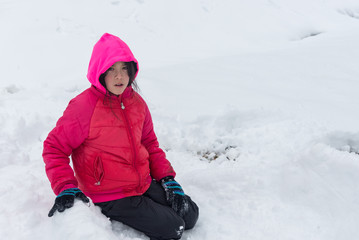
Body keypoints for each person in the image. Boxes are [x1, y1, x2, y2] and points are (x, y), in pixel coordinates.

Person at [43, 33, 199, 240]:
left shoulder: (136, 103)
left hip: (141, 182)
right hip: (109, 193)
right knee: (173, 228)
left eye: (124, 69)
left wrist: (167, 179)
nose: (119, 77)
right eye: (111, 70)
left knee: (190, 215)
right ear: (99, 73)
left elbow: (150, 144)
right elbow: (54, 147)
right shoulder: (83, 107)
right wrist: (65, 187)